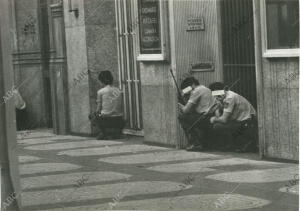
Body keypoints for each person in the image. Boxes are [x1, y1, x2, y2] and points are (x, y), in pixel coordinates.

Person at [209, 82, 257, 152]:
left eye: (218, 94)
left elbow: (224, 119)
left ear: (224, 90)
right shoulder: (224, 96)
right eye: (215, 95)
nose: (216, 97)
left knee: (217, 126)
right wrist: (218, 106)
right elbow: (220, 115)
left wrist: (214, 119)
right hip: (240, 120)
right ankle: (233, 144)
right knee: (218, 124)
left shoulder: (230, 97)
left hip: (247, 121)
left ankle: (243, 143)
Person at [178, 77, 215, 151]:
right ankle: (198, 142)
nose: (187, 91)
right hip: (211, 116)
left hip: (204, 118)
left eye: (187, 88)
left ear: (192, 85)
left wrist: (179, 104)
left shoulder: (196, 91)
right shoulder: (205, 88)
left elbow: (185, 110)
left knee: (182, 117)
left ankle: (196, 143)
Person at [93, 70, 124, 139]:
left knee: (92, 115)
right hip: (119, 119)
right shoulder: (119, 90)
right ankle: (116, 133)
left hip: (106, 120)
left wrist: (96, 113)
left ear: (101, 81)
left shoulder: (100, 92)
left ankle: (103, 133)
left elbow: (98, 109)